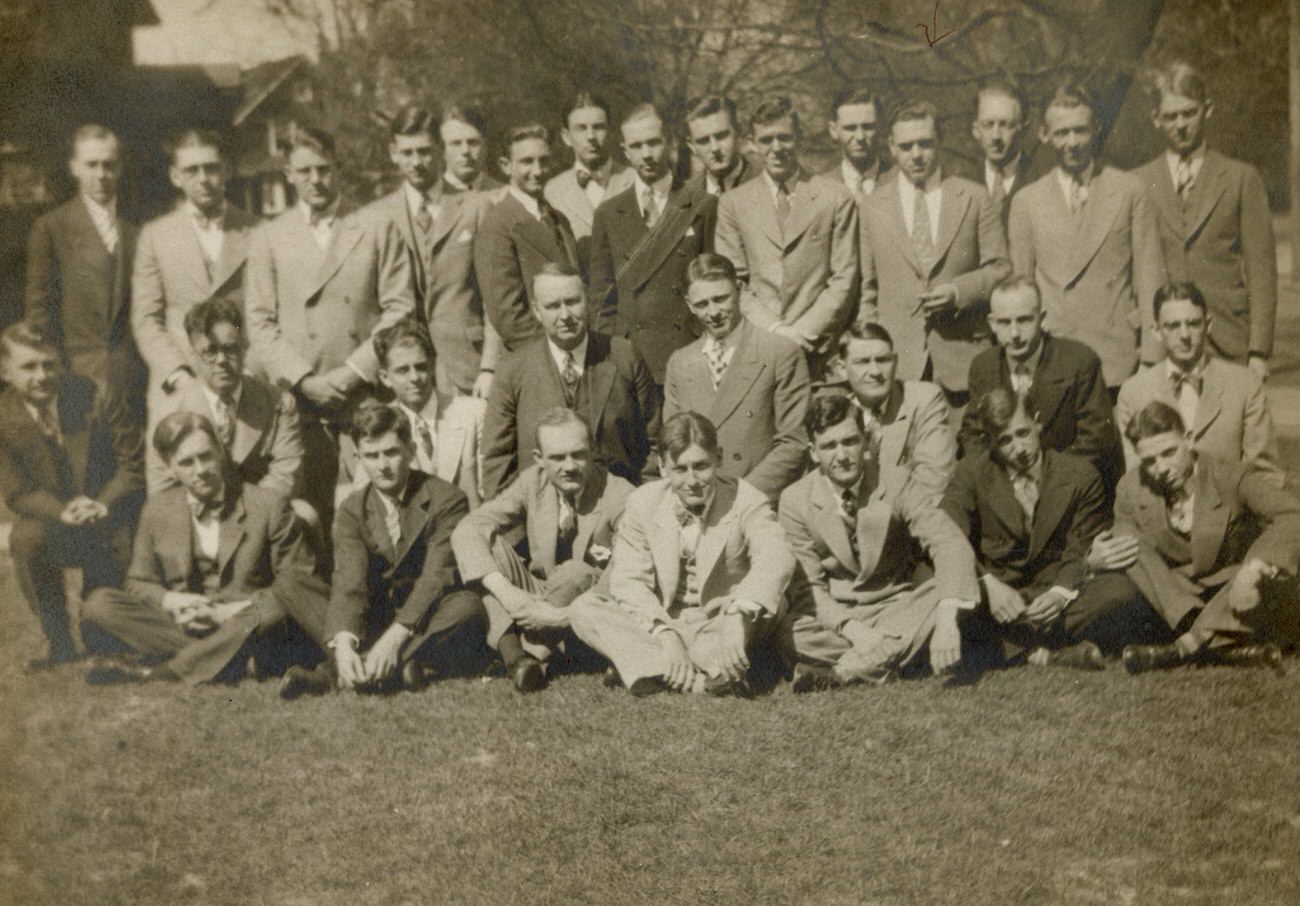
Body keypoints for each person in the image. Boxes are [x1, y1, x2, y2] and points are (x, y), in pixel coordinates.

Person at [245, 127, 416, 528]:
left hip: (363, 393)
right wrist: (304, 379)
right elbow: (260, 321)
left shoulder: (375, 225)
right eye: (304, 171)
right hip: (299, 400)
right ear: (287, 172)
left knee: (373, 506)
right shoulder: (268, 237)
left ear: (337, 169)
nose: (316, 180)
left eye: (324, 169)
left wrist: (354, 372)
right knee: (307, 510)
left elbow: (400, 308)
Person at [79, 412, 329, 686]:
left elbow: (297, 583)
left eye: (206, 456)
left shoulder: (267, 505)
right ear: (169, 466)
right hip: (190, 624)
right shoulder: (157, 508)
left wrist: (225, 613)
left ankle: (162, 672)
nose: (200, 469)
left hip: (249, 619)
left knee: (274, 609)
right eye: (186, 462)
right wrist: (174, 602)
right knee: (99, 604)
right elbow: (138, 582)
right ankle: (233, 660)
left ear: (221, 452)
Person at [569, 411, 796, 697]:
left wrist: (737, 616)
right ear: (663, 468)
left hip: (721, 622)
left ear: (719, 458)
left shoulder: (747, 499)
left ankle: (646, 665)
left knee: (751, 620)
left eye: (701, 466)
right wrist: (665, 634)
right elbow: (630, 580)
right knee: (583, 609)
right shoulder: (643, 502)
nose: (692, 481)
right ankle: (700, 681)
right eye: (680, 469)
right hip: (667, 618)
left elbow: (776, 557)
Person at [780, 393, 979, 690]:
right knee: (788, 631)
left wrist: (948, 619)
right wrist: (855, 630)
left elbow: (947, 541)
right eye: (829, 446)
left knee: (947, 592)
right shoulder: (795, 500)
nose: (842, 455)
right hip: (840, 617)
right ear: (813, 452)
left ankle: (845, 671)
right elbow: (809, 590)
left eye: (850, 441)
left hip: (898, 605)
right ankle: (887, 660)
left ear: (867, 439)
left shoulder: (896, 480)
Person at [942, 389, 1153, 669]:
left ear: (1037, 423)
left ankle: (1019, 650)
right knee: (948, 600)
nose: (1018, 449)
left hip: (1058, 597)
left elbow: (1081, 545)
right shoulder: (971, 471)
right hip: (997, 600)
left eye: (1023, 433)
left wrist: (1059, 593)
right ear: (991, 442)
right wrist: (987, 583)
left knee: (1120, 593)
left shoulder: (1080, 474)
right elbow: (946, 531)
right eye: (1004, 441)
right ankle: (1052, 653)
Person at [309, 402, 489, 694]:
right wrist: (344, 644)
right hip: (375, 617)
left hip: (427, 614)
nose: (382, 465)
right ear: (357, 458)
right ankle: (382, 665)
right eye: (371, 455)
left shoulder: (448, 499)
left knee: (468, 608)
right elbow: (349, 582)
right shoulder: (352, 509)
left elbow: (436, 575)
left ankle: (340, 674)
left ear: (411, 449)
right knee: (304, 589)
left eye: (391, 452)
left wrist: (395, 638)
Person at [453, 408, 634, 693]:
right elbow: (469, 527)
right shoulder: (533, 481)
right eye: (558, 457)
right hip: (533, 595)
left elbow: (621, 576)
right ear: (539, 459)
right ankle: (523, 656)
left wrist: (557, 617)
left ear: (593, 451)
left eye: (579, 454)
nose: (570, 466)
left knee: (576, 572)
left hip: (589, 604)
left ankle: (519, 655)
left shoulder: (620, 495)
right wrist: (509, 595)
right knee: (487, 546)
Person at [0, 321, 143, 669]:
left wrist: (101, 503)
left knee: (103, 639)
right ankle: (58, 640)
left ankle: (101, 626)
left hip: (106, 519)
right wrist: (61, 511)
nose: (42, 375)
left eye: (50, 364)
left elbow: (133, 466)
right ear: (5, 371)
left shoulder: (96, 395)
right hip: (54, 524)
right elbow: (17, 491)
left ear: (62, 364)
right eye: (29, 366)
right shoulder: (3, 417)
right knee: (25, 536)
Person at [1116, 402, 1298, 673]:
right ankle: (1214, 642)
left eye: (1169, 452)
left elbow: (1291, 513)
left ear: (1188, 439)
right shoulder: (1131, 488)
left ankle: (1185, 648)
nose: (1162, 468)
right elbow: (1130, 549)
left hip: (1234, 587)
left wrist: (1255, 566)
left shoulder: (1229, 475)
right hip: (1178, 596)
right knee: (1124, 540)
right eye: (1150, 461)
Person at [1009, 81, 1166, 390]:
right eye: (1061, 133)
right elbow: (1020, 290)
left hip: (1119, 359)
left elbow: (1150, 281)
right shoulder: (1026, 202)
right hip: (1052, 361)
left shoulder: (1129, 191)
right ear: (1044, 135)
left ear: (1096, 129)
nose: (1072, 142)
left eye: (1080, 130)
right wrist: (1021, 363)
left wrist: (1151, 357)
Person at [858, 98, 1009, 407]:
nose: (916, 155)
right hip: (898, 361)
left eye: (925, 144)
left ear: (940, 141)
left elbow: (1001, 269)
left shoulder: (974, 197)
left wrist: (957, 292)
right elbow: (867, 288)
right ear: (891, 147)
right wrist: (871, 354)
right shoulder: (872, 208)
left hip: (963, 357)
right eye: (906, 146)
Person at [1135, 62, 1277, 379]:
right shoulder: (1137, 183)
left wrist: (1258, 351)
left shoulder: (1241, 178)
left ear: (1207, 110)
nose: (1181, 124)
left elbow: (1262, 271)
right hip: (1162, 341)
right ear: (1155, 119)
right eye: (1171, 116)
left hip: (1228, 338)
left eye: (1189, 113)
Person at [481, 263, 657, 497]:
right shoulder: (514, 368)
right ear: (536, 310)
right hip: (542, 519)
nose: (565, 316)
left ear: (588, 301)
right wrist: (516, 528)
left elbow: (654, 443)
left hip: (619, 512)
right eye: (553, 306)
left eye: (572, 302)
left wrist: (643, 509)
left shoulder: (624, 356)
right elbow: (497, 461)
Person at [362, 105, 500, 399]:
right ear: (393, 153)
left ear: (440, 149)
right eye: (407, 153)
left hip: (467, 368)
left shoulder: (475, 207)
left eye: (424, 151)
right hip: (401, 374)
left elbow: (495, 299)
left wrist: (489, 367)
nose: (417, 162)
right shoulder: (377, 216)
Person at [132, 129, 260, 445]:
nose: (203, 178)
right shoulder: (155, 235)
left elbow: (268, 312)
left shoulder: (257, 231)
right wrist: (177, 372)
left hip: (244, 377)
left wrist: (253, 370)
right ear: (176, 176)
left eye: (212, 168)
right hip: (180, 382)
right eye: (192, 170)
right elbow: (146, 318)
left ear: (226, 171)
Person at [715, 95, 859, 375]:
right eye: (766, 140)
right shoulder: (733, 204)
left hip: (820, 351)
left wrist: (802, 334)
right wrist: (776, 331)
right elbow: (735, 283)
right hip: (759, 348)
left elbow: (844, 277)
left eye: (785, 138)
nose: (777, 148)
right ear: (752, 144)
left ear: (799, 138)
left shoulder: (835, 197)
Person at [588, 104, 717, 385]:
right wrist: (613, 353)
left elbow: (712, 283)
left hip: (686, 351)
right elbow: (601, 300)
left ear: (669, 142)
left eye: (653, 143)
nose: (646, 154)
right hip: (631, 358)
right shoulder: (608, 213)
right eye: (636, 146)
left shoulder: (701, 205)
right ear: (624, 150)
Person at [663, 254, 809, 500]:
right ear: (689, 305)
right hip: (699, 502)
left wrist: (738, 499)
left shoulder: (780, 353)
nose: (714, 312)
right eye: (702, 304)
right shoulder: (680, 363)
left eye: (721, 299)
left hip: (759, 502)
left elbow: (793, 444)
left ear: (739, 290)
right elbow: (674, 446)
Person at [1115, 282, 1283, 487]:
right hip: (1160, 512)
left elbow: (1264, 474)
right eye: (1173, 326)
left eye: (1193, 323)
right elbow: (1134, 479)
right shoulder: (1134, 392)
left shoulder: (1244, 385)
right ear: (1156, 332)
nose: (1184, 335)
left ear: (1208, 324)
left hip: (1229, 511)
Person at [24, 124, 144, 412]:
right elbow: (38, 310)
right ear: (75, 167)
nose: (101, 175)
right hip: (76, 376)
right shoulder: (52, 227)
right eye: (92, 165)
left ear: (120, 169)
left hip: (131, 378)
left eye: (109, 165)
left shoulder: (135, 232)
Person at [961, 276, 1121, 489]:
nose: (1015, 333)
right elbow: (973, 435)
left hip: (1068, 487)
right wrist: (1002, 482)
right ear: (992, 324)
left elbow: (1096, 439)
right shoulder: (984, 367)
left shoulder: (1079, 361)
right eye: (1004, 322)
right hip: (1006, 487)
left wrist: (1044, 481)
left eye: (1025, 320)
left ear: (1042, 318)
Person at [148, 299, 303, 502]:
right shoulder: (167, 412)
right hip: (198, 519)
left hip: (260, 515)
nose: (221, 360)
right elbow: (164, 490)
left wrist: (241, 518)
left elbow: (285, 476)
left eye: (230, 349)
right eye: (210, 352)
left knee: (305, 513)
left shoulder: (278, 402)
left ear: (244, 348)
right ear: (192, 356)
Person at [342, 319, 485, 507]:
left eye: (421, 367)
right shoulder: (376, 424)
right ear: (385, 378)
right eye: (403, 370)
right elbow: (365, 504)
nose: (415, 378)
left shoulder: (473, 413)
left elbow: (489, 491)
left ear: (433, 366)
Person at [475, 123, 581, 351]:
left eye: (543, 160)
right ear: (506, 166)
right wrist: (558, 356)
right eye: (527, 162)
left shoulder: (558, 219)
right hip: (538, 359)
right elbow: (508, 317)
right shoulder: (497, 225)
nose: (538, 170)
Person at [839, 322, 955, 505]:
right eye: (862, 362)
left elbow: (934, 479)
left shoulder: (923, 399)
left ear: (896, 361)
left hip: (912, 522)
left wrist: (877, 519)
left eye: (883, 360)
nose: (875, 372)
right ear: (842, 369)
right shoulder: (838, 415)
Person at [543, 92, 635, 245]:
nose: (591, 136)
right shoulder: (553, 191)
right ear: (566, 137)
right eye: (581, 128)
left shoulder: (633, 180)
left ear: (610, 132)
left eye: (598, 127)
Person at [969, 76, 1033, 228]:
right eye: (988, 125)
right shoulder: (963, 185)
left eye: (1005, 125)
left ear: (1023, 130)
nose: (996, 136)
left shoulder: (1040, 179)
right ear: (975, 130)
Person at [683, 95, 757, 197]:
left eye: (721, 136)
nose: (715, 148)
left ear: (738, 132)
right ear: (691, 146)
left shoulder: (769, 183)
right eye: (703, 141)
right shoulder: (683, 199)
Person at [825, 86, 884, 200]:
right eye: (850, 128)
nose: (860, 137)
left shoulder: (900, 181)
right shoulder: (820, 188)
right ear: (833, 131)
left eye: (868, 127)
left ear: (880, 127)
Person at [438, 101, 504, 194]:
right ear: (442, 150)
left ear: (485, 146)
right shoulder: (431, 196)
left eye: (473, 143)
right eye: (456, 143)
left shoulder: (504, 194)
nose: (465, 151)